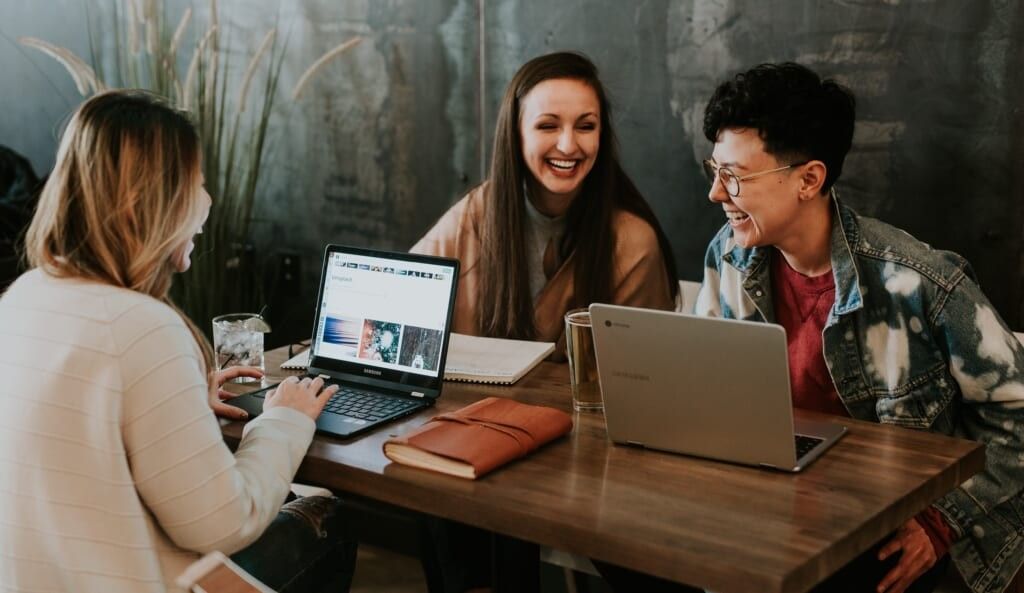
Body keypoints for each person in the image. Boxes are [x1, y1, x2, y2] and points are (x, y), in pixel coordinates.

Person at [0, 90, 356, 593]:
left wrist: (182, 396)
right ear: (153, 202)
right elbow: (224, 523)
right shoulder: (143, 327)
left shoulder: (21, 297)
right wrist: (284, 420)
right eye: (198, 184)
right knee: (328, 519)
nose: (206, 204)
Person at [695, 62, 1024, 593]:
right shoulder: (729, 254)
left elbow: (1018, 413)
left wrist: (942, 522)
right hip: (777, 516)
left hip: (889, 530)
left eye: (734, 176)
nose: (715, 193)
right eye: (714, 168)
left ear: (809, 179)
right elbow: (702, 389)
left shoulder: (919, 282)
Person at [412, 51, 678, 353]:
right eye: (548, 126)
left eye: (585, 126)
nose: (568, 145)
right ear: (516, 133)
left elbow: (641, 373)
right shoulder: (473, 215)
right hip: (475, 401)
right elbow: (399, 302)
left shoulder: (633, 243)